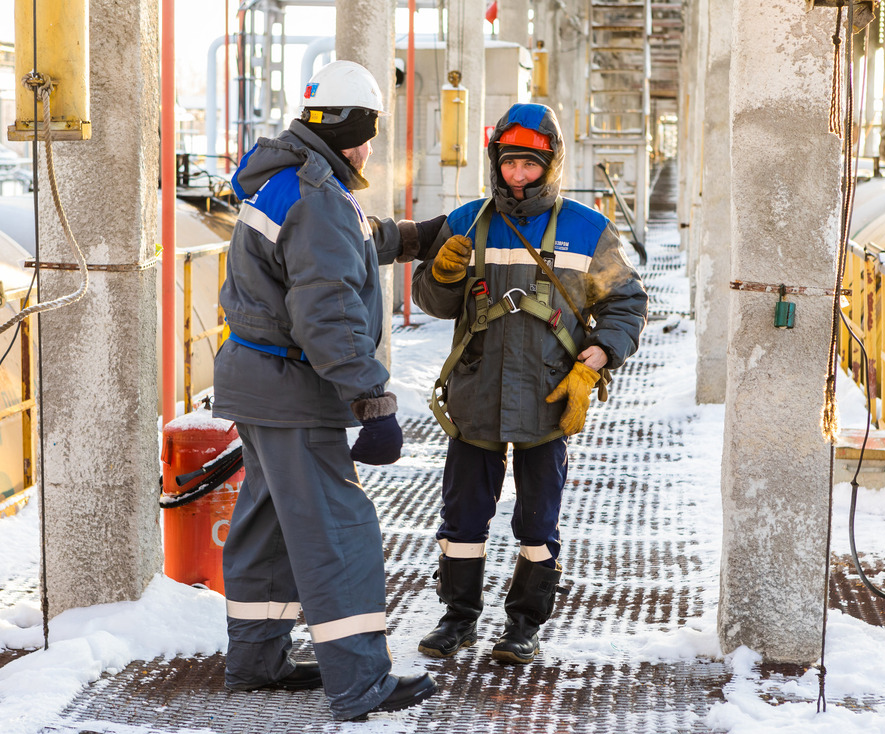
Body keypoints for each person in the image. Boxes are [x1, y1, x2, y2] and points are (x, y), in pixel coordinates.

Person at [213, 60, 444, 721]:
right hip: (290, 389)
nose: (371, 147)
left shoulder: (288, 182)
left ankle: (255, 661)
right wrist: (374, 402)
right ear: (350, 130)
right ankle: (359, 680)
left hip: (254, 382)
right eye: (368, 131)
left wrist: (416, 238)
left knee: (268, 525)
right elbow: (328, 311)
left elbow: (344, 245)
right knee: (335, 530)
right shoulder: (318, 198)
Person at [411, 103, 648, 665]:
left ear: (551, 164)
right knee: (464, 516)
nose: (518, 175)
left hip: (548, 395)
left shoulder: (588, 230)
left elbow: (627, 301)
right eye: (510, 163)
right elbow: (433, 302)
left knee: (538, 519)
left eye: (531, 165)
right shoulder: (466, 222)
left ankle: (523, 624)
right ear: (496, 161)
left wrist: (600, 354)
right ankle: (458, 618)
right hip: (476, 395)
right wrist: (440, 275)